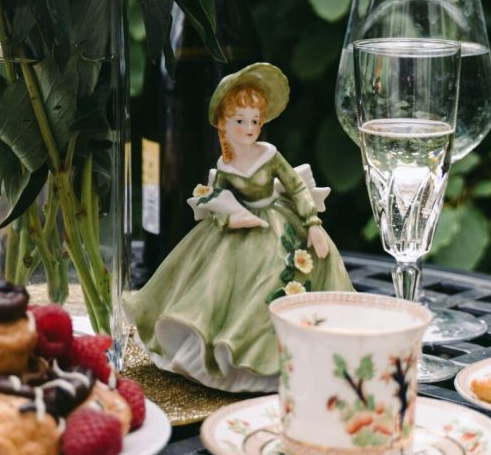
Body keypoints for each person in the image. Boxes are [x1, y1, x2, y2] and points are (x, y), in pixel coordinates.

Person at [127, 62, 352, 391]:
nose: (249, 128)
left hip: (275, 226)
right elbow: (218, 195)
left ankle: (277, 357)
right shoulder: (225, 164)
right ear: (223, 123)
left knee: (276, 276)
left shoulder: (270, 154)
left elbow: (296, 187)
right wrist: (222, 208)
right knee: (213, 280)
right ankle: (218, 356)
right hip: (237, 229)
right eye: (240, 121)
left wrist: (313, 223)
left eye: (255, 121)